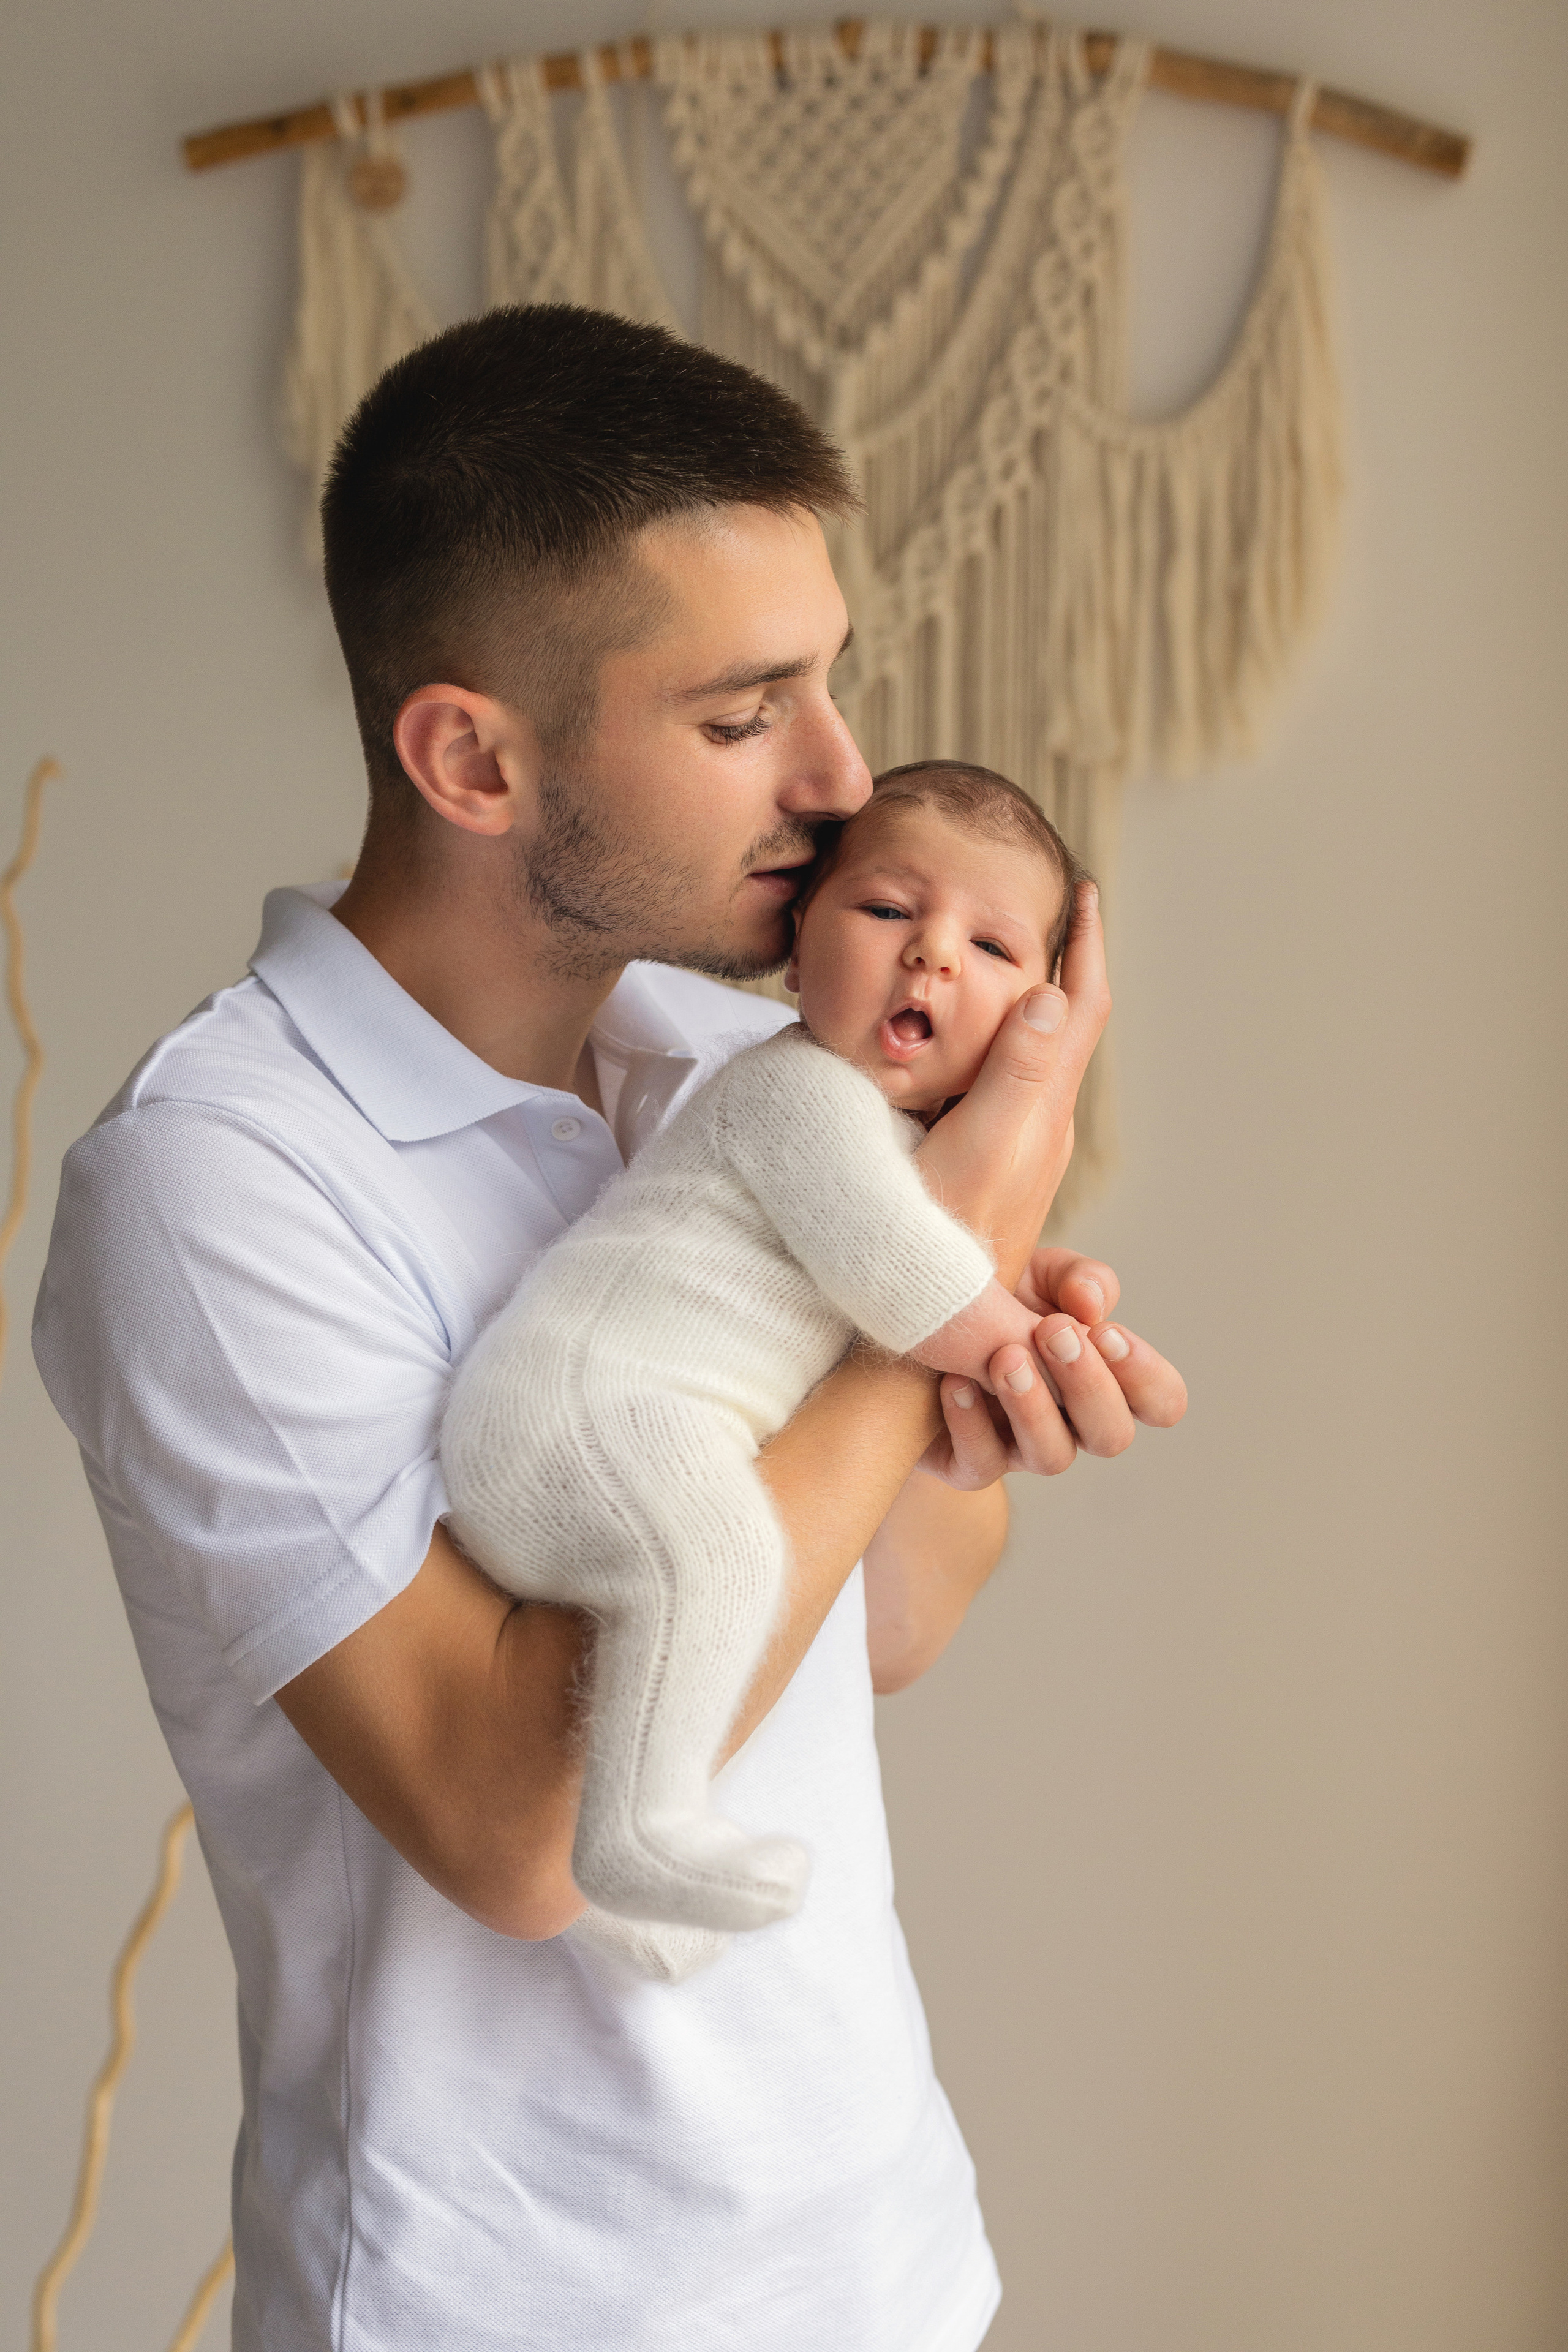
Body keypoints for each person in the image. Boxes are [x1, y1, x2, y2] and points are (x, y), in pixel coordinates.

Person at [32, 306, 1185, 2352]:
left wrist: (962, 1366)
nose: (844, 779)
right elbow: (516, 1832)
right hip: (511, 2308)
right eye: (750, 712)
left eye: (828, 676)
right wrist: (951, 1239)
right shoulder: (215, 1188)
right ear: (475, 756)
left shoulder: (709, 1056)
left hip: (879, 2255)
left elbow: (886, 1625)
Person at [441, 761, 1098, 1969]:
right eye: (888, 911)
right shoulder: (795, 1092)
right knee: (728, 1551)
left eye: (994, 949)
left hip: (644, 1429)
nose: (932, 959)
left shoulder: (893, 1142)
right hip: (575, 1419)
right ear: (796, 952)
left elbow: (891, 1617)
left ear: (1038, 1008)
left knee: (714, 1570)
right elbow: (911, 1286)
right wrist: (1042, 1342)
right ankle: (642, 1831)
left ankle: (630, 1892)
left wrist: (1020, 1326)